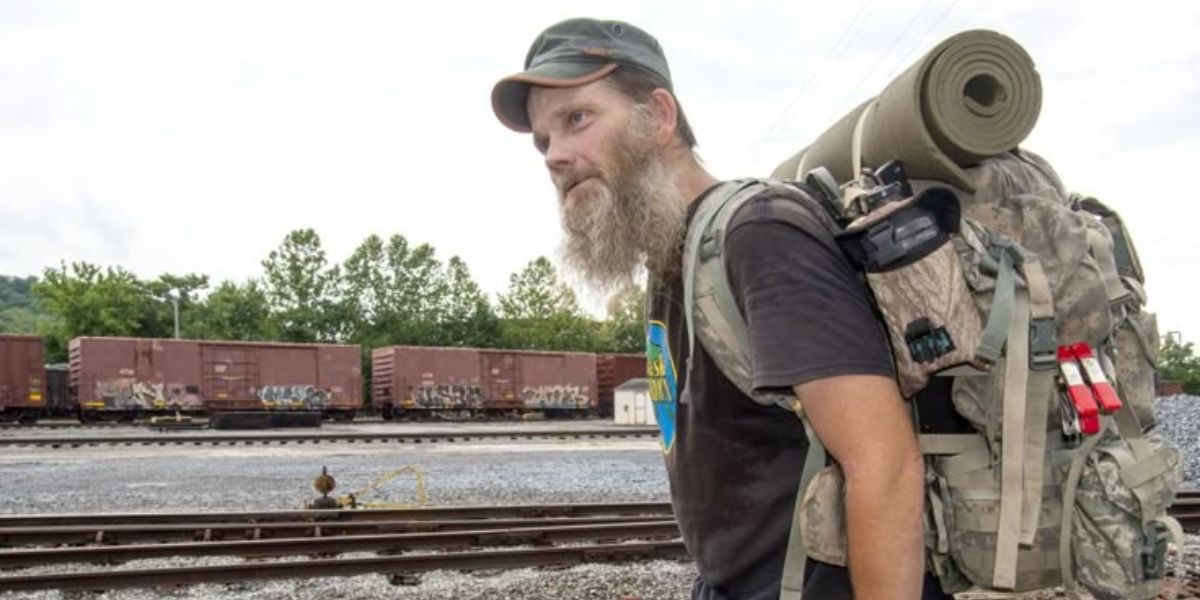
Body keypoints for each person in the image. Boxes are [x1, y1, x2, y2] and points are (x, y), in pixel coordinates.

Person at [492, 18, 945, 600]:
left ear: (657, 116)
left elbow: (885, 466)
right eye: (543, 141)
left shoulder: (759, 235)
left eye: (577, 119)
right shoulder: (674, 255)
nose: (555, 155)